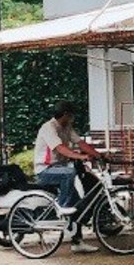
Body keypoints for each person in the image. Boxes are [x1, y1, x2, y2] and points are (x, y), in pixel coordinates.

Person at [33, 100, 103, 253]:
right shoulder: (49, 128)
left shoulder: (67, 127)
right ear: (65, 115)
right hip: (45, 170)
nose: (73, 119)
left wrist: (98, 155)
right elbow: (61, 149)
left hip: (60, 170)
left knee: (78, 205)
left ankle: (77, 242)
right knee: (70, 174)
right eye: (71, 116)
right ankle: (63, 207)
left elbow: (80, 143)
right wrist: (80, 157)